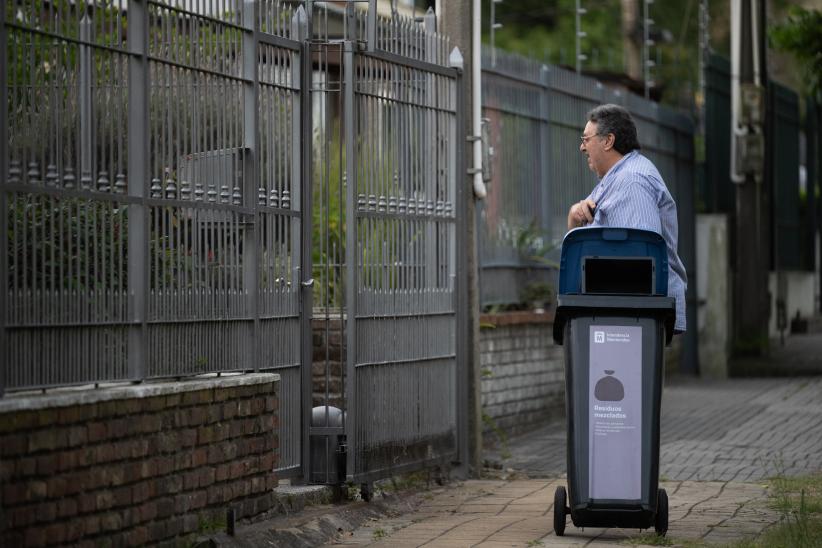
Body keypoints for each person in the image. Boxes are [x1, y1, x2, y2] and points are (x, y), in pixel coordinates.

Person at [567, 104, 687, 333]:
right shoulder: (617, 178)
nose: (582, 147)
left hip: (630, 319)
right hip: (626, 316)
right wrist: (574, 215)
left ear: (608, 141)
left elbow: (640, 266)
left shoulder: (632, 183)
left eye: (586, 139)